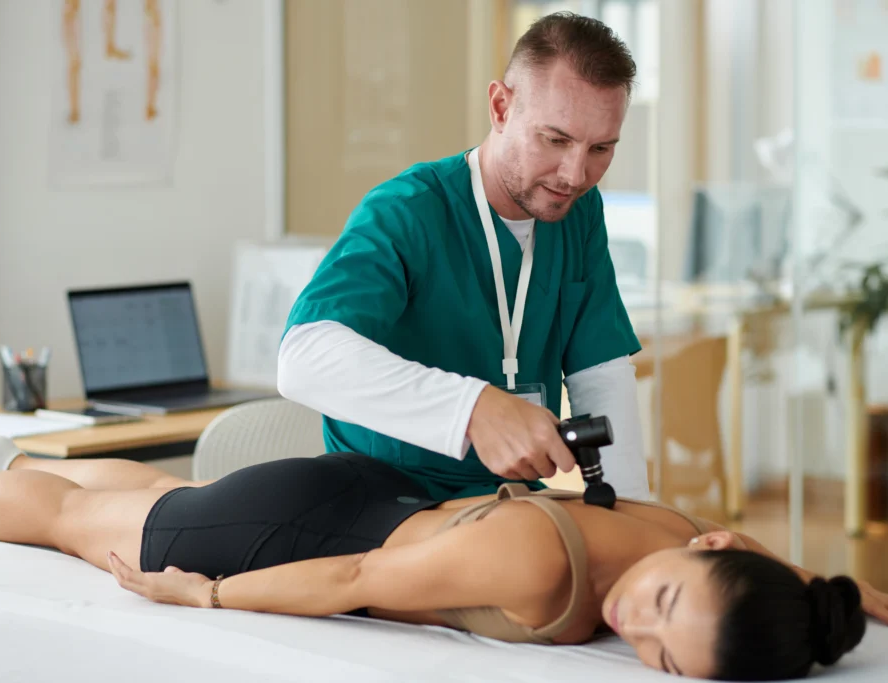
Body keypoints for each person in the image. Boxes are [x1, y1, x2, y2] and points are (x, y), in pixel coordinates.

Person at [0, 439, 888, 681]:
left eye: (657, 656)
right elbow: (354, 584)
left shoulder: (679, 534)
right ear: (710, 549)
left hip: (372, 496)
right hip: (311, 535)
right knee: (76, 524)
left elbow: (731, 568)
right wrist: (203, 592)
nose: (626, 624)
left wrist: (826, 591)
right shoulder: (539, 568)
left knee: (128, 497)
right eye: (655, 604)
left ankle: (11, 460)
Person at [277, 12, 649, 501]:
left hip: (508, 503)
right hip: (387, 504)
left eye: (600, 148)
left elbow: (599, 374)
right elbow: (303, 357)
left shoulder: (577, 212)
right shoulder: (408, 211)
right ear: (500, 107)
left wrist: (636, 523)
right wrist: (474, 409)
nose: (575, 174)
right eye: (555, 140)